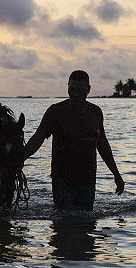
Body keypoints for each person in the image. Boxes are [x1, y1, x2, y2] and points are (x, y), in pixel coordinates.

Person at [25, 70, 124, 211]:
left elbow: (102, 145)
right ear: (67, 87)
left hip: (88, 180)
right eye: (72, 89)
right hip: (62, 179)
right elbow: (38, 138)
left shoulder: (95, 112)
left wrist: (116, 174)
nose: (75, 94)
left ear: (88, 90)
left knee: (86, 222)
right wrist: (20, 159)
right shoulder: (56, 111)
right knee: (64, 221)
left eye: (80, 90)